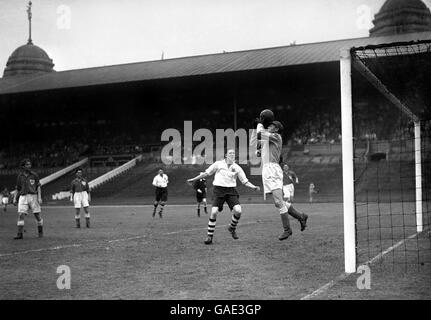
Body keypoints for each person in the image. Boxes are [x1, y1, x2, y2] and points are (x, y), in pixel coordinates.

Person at [250, 115, 308, 241]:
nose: (269, 126)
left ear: (276, 129)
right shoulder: (268, 139)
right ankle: (301, 217)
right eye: (268, 124)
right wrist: (255, 131)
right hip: (266, 170)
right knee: (278, 202)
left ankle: (287, 230)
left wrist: (259, 125)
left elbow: (260, 134)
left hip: (272, 170)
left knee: (278, 201)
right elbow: (255, 143)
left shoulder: (276, 137)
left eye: (272, 125)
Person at [187, 149, 260, 245]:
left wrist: (253, 187)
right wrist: (193, 179)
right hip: (219, 190)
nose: (232, 154)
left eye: (234, 153)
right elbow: (206, 173)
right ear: (226, 155)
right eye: (230, 153)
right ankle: (209, 236)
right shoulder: (218, 164)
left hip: (231, 191)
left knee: (238, 211)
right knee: (214, 212)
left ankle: (232, 228)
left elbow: (245, 181)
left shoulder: (237, 167)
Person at [13, 159, 43, 239]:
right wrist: (15, 199)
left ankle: (40, 232)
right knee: (21, 215)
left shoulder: (34, 175)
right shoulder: (20, 176)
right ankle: (20, 234)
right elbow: (18, 188)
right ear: (23, 166)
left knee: (37, 215)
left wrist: (39, 197)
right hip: (23, 197)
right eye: (27, 164)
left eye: (30, 164)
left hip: (33, 196)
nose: (29, 166)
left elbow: (38, 186)